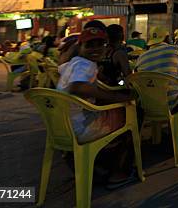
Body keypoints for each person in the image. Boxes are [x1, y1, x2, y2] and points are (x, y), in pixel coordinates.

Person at [56, 27, 136, 188]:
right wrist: (117, 97)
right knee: (130, 123)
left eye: (100, 44)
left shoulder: (73, 63)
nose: (95, 49)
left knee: (115, 114)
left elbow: (62, 66)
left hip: (61, 127)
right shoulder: (85, 64)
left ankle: (94, 166)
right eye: (90, 45)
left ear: (106, 46)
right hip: (80, 128)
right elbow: (77, 86)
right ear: (81, 47)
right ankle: (116, 174)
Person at [136, 26, 178, 113]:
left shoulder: (141, 57)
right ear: (166, 38)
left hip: (149, 105)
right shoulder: (176, 49)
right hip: (173, 104)